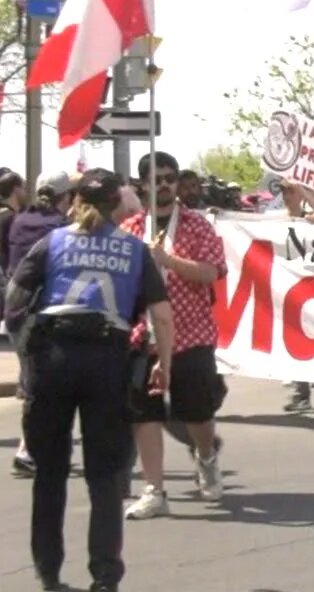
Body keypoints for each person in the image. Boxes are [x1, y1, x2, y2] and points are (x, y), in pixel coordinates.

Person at [5, 168, 174, 592]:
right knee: (104, 477)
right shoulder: (134, 249)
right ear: (118, 204)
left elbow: (14, 300)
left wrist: (28, 356)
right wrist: (163, 364)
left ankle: (49, 574)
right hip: (107, 359)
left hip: (54, 358)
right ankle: (104, 577)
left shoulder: (53, 242)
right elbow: (163, 316)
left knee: (50, 474)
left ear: (75, 200)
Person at [120, 152, 229, 520]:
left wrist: (168, 261)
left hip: (190, 333)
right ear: (143, 184)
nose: (165, 184)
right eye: (157, 178)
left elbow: (212, 272)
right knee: (144, 411)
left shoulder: (197, 226)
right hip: (143, 335)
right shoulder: (132, 228)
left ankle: (206, 456)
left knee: (197, 411)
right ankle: (154, 489)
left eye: (170, 177)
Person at [7, 171, 76, 478]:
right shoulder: (60, 229)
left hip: (15, 312)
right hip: (42, 316)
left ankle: (30, 449)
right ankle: (27, 451)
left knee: (34, 384)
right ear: (66, 198)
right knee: (41, 389)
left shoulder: (20, 221)